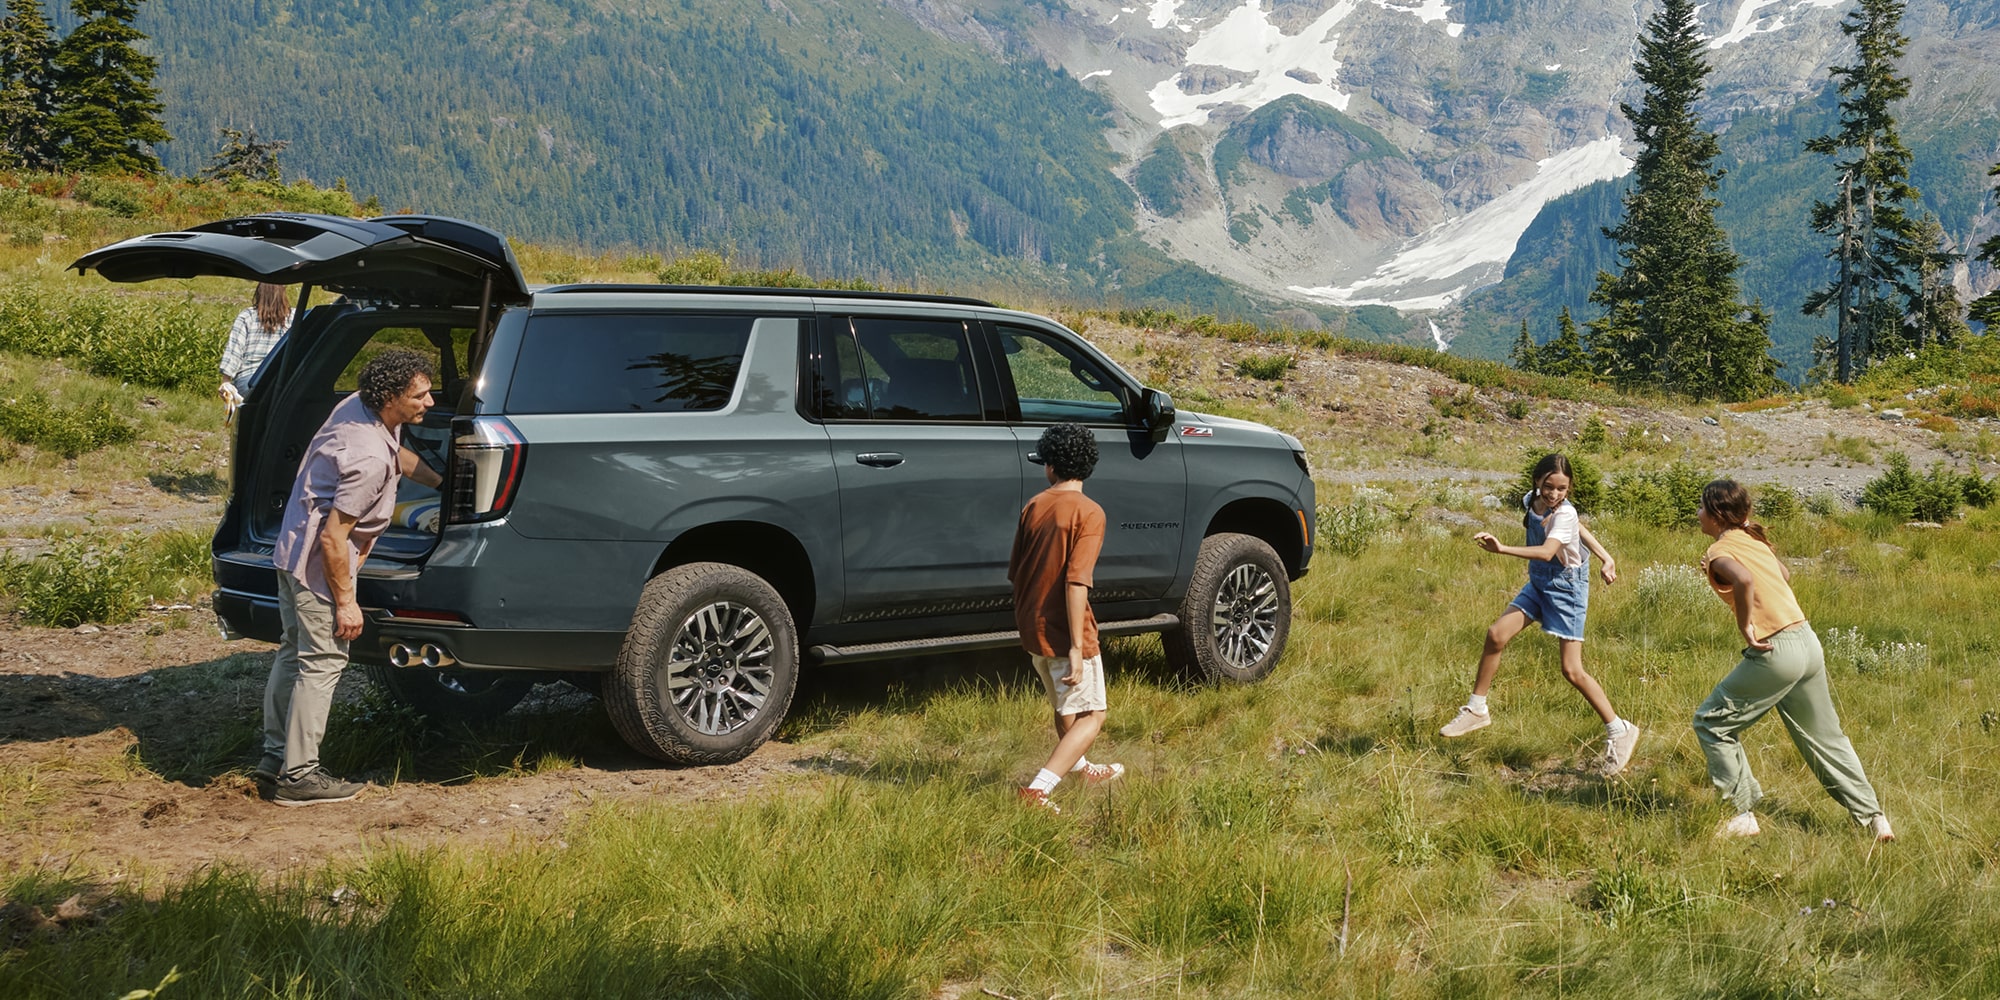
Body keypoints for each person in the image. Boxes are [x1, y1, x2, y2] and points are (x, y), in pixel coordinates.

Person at [258, 349, 436, 806]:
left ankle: (275, 758)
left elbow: (399, 455)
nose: (430, 402)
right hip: (320, 562)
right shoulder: (368, 459)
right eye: (421, 395)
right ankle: (299, 777)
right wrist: (346, 603)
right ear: (392, 397)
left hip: (290, 549)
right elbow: (336, 540)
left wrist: (446, 481)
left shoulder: (359, 406)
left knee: (294, 652)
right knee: (323, 662)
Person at [1692, 480, 1893, 842]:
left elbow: (1744, 578)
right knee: (1827, 738)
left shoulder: (1721, 551)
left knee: (1711, 724)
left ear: (1718, 514)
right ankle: (1874, 817)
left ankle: (1741, 815)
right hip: (1807, 641)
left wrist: (1746, 626)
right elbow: (1783, 574)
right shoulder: (1753, 541)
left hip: (1776, 650)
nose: (1698, 514)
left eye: (1702, 508)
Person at [1439, 453, 1641, 777]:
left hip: (1567, 590)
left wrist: (1502, 548)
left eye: (1562, 489)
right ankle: (1476, 709)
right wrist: (1606, 556)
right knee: (1496, 635)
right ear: (1537, 482)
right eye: (1549, 487)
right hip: (1538, 582)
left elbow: (1549, 550)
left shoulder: (1565, 511)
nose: (1555, 494)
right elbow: (1579, 529)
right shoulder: (1530, 501)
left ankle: (1620, 730)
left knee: (1572, 670)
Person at [1008, 422, 1124, 812]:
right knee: (1094, 714)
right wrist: (1077, 645)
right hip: (1066, 629)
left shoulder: (1034, 506)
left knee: (1067, 706)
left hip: (1032, 624)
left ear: (1050, 467)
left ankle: (1080, 768)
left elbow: (1017, 571)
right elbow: (1077, 582)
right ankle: (1038, 789)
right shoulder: (1090, 513)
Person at [219, 283, 292, 408]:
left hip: (248, 381)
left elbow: (235, 350)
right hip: (281, 380)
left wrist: (225, 381)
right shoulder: (293, 317)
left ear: (259, 293)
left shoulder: (247, 316)